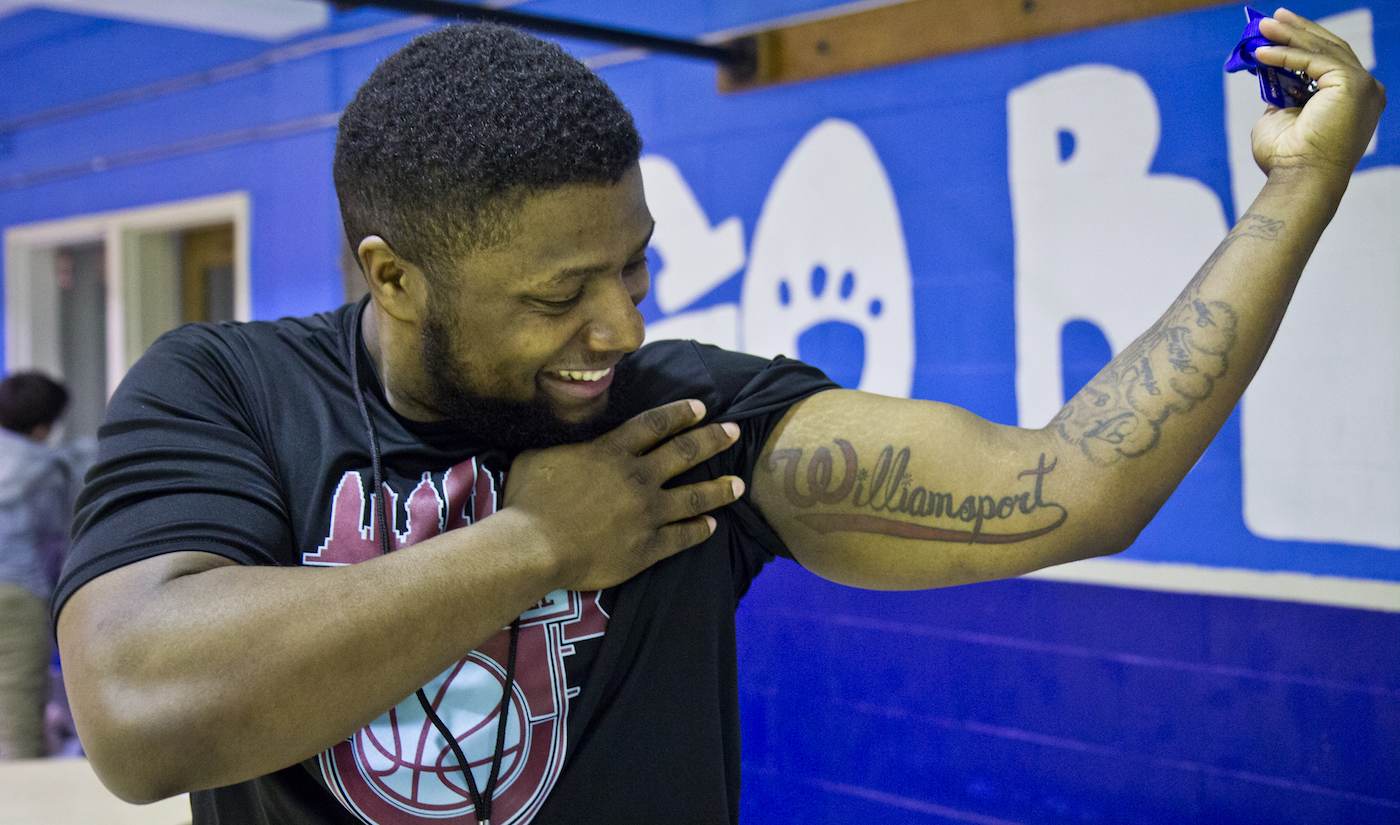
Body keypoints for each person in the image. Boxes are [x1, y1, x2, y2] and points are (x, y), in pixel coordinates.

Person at [52, 12, 1384, 824]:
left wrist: (1296, 195)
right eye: (561, 293)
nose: (619, 325)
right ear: (391, 274)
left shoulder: (686, 416)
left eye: (634, 265)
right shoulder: (227, 389)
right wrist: (528, 550)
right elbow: (137, 713)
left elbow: (1070, 486)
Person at [0, 371, 70, 760]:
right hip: (15, 596)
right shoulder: (42, 467)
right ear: (43, 426)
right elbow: (55, 541)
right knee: (15, 728)